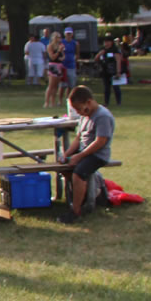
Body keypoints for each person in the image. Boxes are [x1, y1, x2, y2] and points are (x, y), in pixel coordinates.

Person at [58, 85, 114, 225]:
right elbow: (78, 138)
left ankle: (76, 211)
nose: (79, 113)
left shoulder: (103, 116)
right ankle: (84, 197)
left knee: (79, 173)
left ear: (88, 102)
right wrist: (67, 154)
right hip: (84, 152)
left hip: (98, 155)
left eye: (80, 109)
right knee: (64, 168)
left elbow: (100, 142)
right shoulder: (84, 116)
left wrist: (79, 156)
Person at [98, 34, 124, 106]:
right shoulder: (103, 50)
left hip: (113, 71)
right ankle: (106, 102)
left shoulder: (115, 50)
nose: (106, 43)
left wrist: (118, 72)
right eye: (105, 42)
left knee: (116, 87)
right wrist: (99, 54)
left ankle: (118, 102)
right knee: (106, 88)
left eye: (107, 41)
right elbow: (96, 59)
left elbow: (118, 60)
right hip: (105, 71)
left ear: (111, 42)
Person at [44, 34, 65, 108]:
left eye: (60, 37)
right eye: (58, 37)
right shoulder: (50, 46)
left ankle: (53, 102)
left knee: (56, 86)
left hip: (59, 65)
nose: (59, 39)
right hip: (53, 65)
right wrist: (59, 51)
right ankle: (46, 102)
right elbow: (52, 57)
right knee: (51, 85)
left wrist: (62, 57)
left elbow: (63, 56)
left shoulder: (60, 46)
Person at [60, 27, 79, 96]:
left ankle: (69, 98)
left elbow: (77, 53)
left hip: (71, 65)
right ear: (65, 34)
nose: (68, 35)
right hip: (63, 65)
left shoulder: (75, 43)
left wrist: (75, 60)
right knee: (62, 85)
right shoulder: (61, 42)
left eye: (70, 33)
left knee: (71, 85)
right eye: (67, 33)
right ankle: (60, 100)